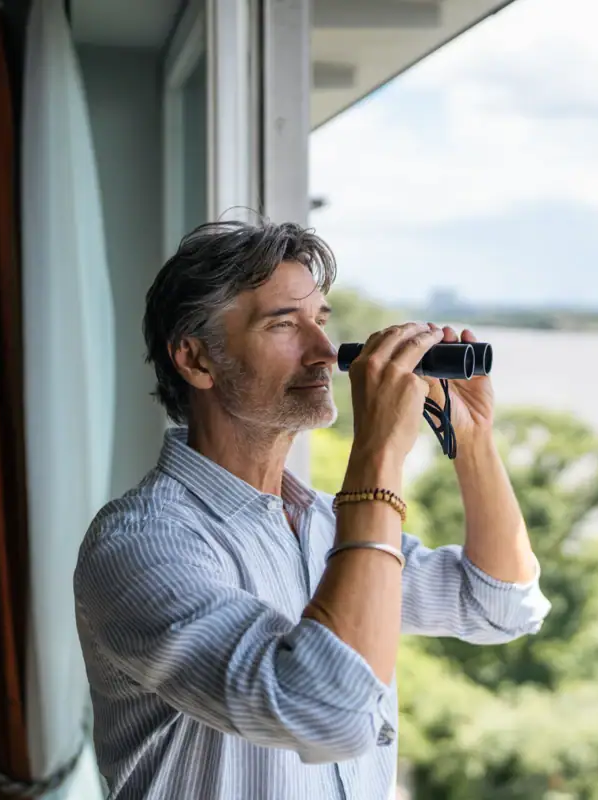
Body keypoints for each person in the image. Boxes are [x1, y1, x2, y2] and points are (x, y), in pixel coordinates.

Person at [72, 219, 550, 799]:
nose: (325, 352)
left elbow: (499, 603)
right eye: (282, 324)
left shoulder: (325, 526)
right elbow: (324, 711)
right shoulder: (141, 546)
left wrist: (472, 440)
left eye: (320, 322)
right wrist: (377, 450)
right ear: (196, 359)